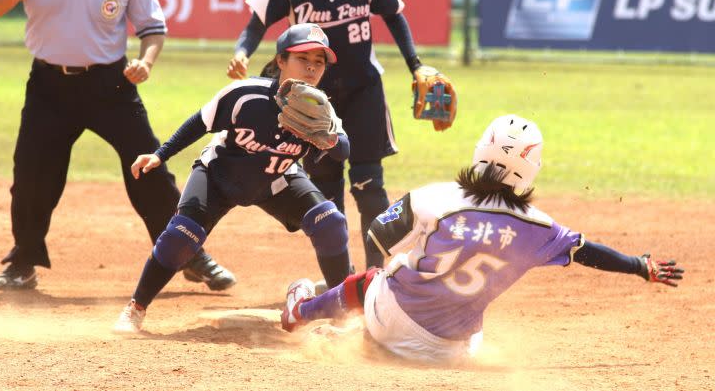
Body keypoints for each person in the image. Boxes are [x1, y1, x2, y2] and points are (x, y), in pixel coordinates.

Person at [0, 0, 234, 293]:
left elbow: (153, 27)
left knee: (150, 167)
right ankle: (23, 261)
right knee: (33, 175)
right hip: (49, 87)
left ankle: (188, 253)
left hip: (110, 86)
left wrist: (146, 62)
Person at [280, 114, 684, 364]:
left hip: (389, 323)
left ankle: (302, 312)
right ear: (531, 168)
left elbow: (376, 235)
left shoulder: (435, 196)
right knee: (467, 320)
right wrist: (639, 265)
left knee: (377, 279)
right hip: (449, 352)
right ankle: (377, 329)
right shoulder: (541, 228)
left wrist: (381, 286)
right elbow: (587, 251)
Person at [226, 0, 455, 274]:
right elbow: (256, 23)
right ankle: (341, 281)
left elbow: (394, 15)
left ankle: (375, 275)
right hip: (312, 99)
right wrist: (242, 53)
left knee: (370, 186)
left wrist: (415, 64)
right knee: (326, 191)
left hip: (364, 91)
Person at [113, 23, 354, 334]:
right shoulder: (245, 94)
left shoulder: (321, 110)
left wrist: (329, 137)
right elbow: (201, 122)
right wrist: (160, 154)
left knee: (330, 222)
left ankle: (341, 312)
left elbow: (343, 151)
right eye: (302, 59)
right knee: (181, 235)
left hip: (276, 181)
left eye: (318, 62)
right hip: (219, 176)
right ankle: (136, 307)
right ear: (281, 61)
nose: (310, 68)